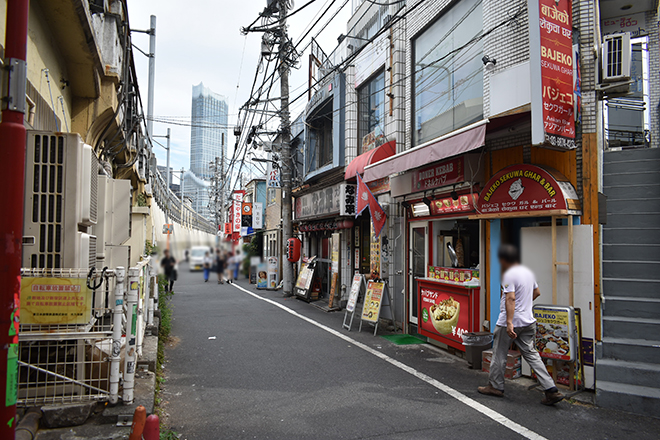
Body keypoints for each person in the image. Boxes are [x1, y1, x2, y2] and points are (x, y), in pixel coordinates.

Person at [478, 244, 564, 406]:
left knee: (499, 354)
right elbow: (537, 293)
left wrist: (510, 322)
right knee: (531, 354)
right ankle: (551, 389)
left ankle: (495, 386)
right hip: (528, 321)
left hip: (509, 323)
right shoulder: (527, 273)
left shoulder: (509, 275)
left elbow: (510, 298)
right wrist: (524, 307)